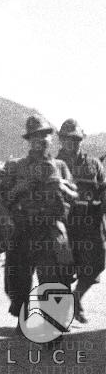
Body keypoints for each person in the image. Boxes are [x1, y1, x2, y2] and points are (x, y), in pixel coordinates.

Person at [1, 115, 78, 323]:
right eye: (35, 136)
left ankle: (51, 324)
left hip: (50, 229)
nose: (41, 139)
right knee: (17, 281)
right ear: (28, 140)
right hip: (23, 229)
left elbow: (74, 195)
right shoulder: (15, 166)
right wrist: (20, 188)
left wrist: (60, 185)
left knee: (52, 278)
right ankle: (23, 314)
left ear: (51, 139)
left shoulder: (60, 166)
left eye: (45, 135)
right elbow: (2, 199)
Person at [57, 118, 106, 323]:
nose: (73, 143)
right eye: (68, 139)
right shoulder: (54, 164)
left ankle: (76, 298)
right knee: (64, 268)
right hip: (65, 223)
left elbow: (103, 189)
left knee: (97, 262)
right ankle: (65, 312)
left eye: (76, 139)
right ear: (61, 140)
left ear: (81, 140)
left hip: (90, 223)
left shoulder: (93, 163)